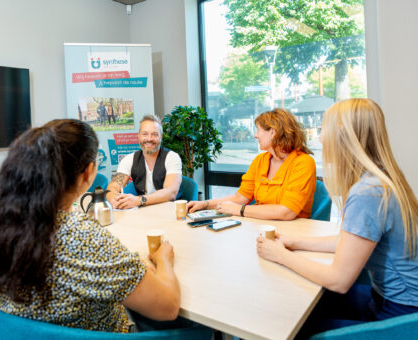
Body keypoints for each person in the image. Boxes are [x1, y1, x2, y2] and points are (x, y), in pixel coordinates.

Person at [0, 119, 181, 333]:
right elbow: (168, 306)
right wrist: (163, 260)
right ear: (88, 172)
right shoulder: (84, 238)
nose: (149, 138)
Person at [256, 99, 418, 337]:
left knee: (286, 327)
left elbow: (339, 280)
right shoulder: (381, 179)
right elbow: (349, 239)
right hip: (394, 301)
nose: (320, 139)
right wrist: (294, 242)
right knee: (304, 307)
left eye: (323, 130)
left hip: (400, 314)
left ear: (343, 135)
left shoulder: (367, 192)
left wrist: (280, 255)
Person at [187, 108, 316, 220]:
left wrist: (239, 210)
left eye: (258, 130)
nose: (255, 135)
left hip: (294, 229)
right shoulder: (260, 160)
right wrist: (205, 204)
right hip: (261, 226)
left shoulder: (303, 162)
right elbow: (241, 198)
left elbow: (286, 212)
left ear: (273, 132)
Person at [107, 115, 182, 209]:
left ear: (161, 137)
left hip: (169, 211)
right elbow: (113, 187)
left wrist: (139, 200)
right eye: (145, 134)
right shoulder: (129, 160)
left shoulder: (172, 157)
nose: (149, 139)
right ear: (139, 136)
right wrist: (114, 199)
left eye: (154, 134)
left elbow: (171, 192)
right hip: (143, 213)